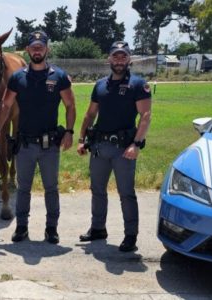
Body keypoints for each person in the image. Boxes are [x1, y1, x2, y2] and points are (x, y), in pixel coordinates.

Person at [0, 31, 76, 244]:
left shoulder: (59, 76)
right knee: (23, 188)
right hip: (25, 144)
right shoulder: (17, 77)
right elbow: (5, 105)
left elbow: (70, 106)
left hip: (50, 145)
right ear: (27, 50)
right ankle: (21, 228)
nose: (37, 49)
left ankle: (51, 228)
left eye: (41, 46)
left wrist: (69, 131)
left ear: (47, 49)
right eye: (34, 46)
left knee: (51, 188)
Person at [77, 41, 152, 252]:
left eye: (123, 56)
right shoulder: (100, 85)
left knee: (126, 193)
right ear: (109, 59)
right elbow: (90, 114)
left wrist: (136, 144)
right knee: (97, 190)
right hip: (100, 146)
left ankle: (130, 235)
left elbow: (145, 116)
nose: (119, 60)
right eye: (115, 56)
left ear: (129, 59)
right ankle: (98, 228)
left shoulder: (138, 85)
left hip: (124, 149)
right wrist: (82, 140)